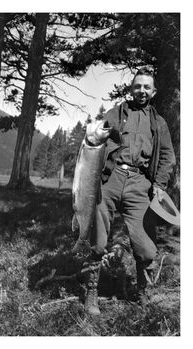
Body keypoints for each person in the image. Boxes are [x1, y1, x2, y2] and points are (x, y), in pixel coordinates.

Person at [83, 67, 176, 316]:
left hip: (140, 183)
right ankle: (91, 292)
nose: (142, 91)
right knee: (98, 239)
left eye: (147, 87)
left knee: (145, 246)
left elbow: (167, 157)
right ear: (131, 89)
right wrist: (95, 131)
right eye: (137, 86)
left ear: (154, 92)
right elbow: (96, 133)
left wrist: (159, 185)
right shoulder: (117, 113)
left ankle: (142, 292)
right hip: (111, 179)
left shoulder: (159, 123)